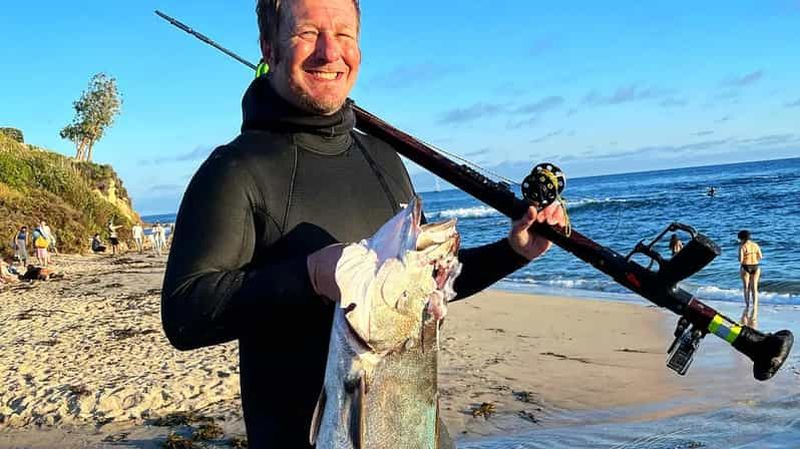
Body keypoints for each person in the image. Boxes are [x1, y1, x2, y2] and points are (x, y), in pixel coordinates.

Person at [160, 1, 567, 447]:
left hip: (414, 429)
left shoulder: (383, 158)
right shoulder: (234, 169)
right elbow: (184, 314)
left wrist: (512, 252)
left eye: (344, 34)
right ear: (269, 48)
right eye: (307, 34)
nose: (330, 52)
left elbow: (420, 288)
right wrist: (310, 275)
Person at [738, 230, 763, 328]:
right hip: (756, 266)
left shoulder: (742, 246)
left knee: (746, 287)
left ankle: (748, 305)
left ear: (742, 238)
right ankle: (755, 305)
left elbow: (740, 260)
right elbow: (760, 256)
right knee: (754, 288)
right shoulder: (755, 245)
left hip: (745, 267)